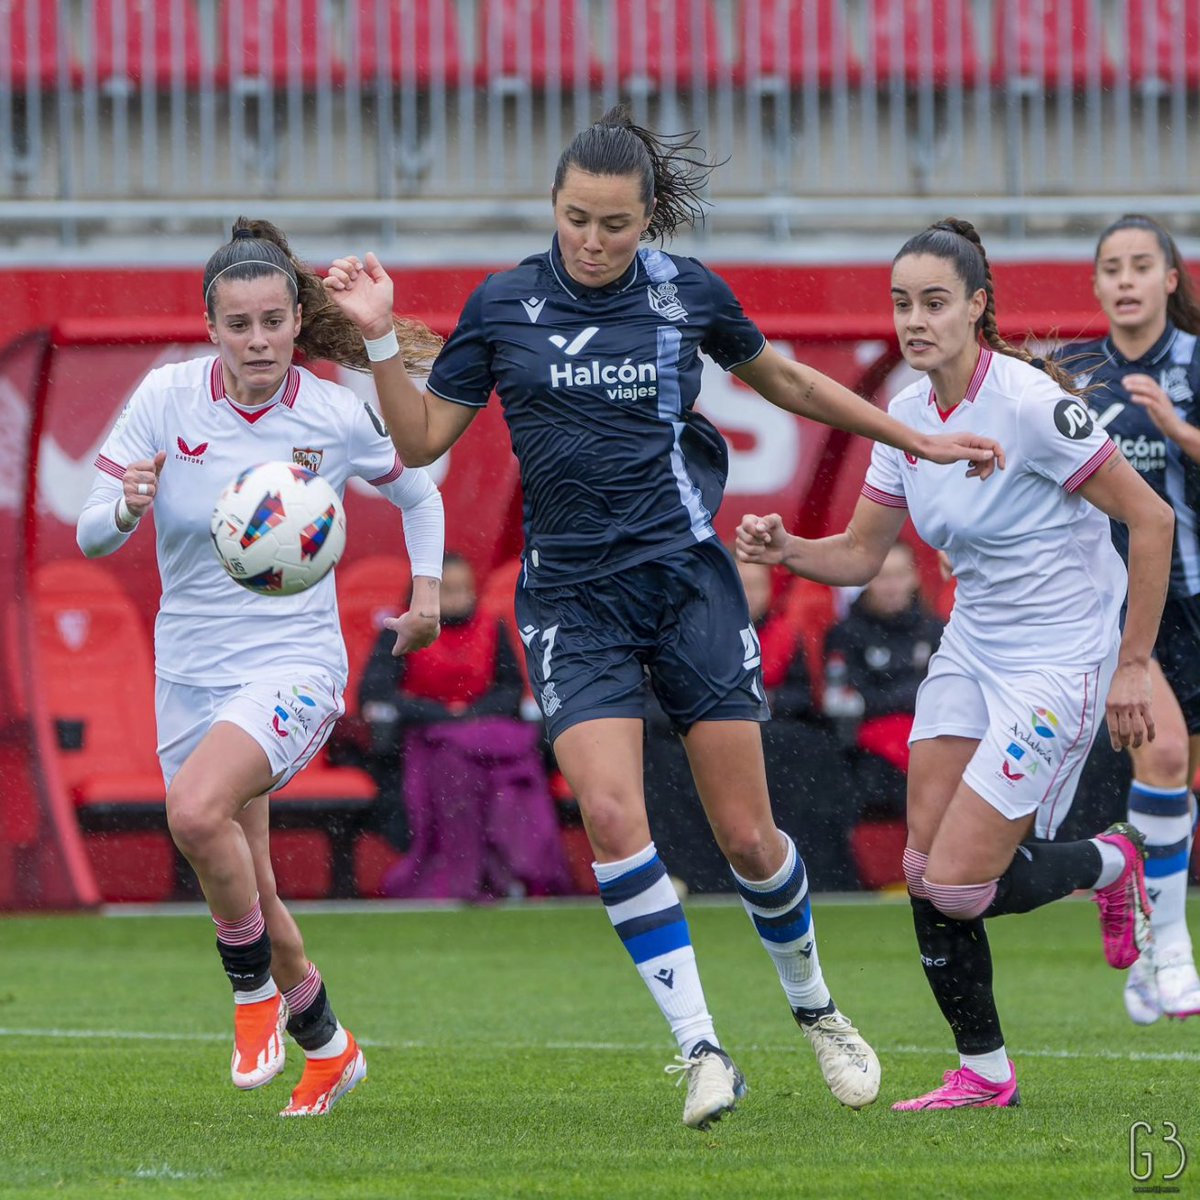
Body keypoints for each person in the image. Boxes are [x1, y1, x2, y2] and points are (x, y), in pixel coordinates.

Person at [319, 107, 1006, 1131]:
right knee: (609, 816)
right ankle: (701, 1050)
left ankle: (813, 1007)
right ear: (552, 208)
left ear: (651, 221)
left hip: (688, 584)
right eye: (577, 220)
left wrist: (917, 437)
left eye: (617, 225)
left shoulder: (688, 294)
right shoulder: (503, 306)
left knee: (747, 838)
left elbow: (788, 379)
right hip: (571, 602)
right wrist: (379, 334)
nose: (594, 243)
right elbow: (419, 443)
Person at [738, 217, 1174, 1111]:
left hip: (1059, 660)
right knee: (923, 867)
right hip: (974, 646)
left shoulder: (1028, 405)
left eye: (935, 302)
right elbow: (861, 556)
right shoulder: (902, 414)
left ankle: (1110, 863)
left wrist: (1134, 665)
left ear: (978, 307)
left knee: (964, 886)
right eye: (902, 304)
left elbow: (1153, 519)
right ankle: (984, 1071)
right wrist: (787, 549)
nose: (915, 320)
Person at [75, 218, 446, 1117]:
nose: (257, 342)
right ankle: (328, 1046)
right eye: (238, 326)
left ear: (294, 321)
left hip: (292, 662)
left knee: (196, 811)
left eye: (273, 322)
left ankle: (250, 998)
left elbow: (418, 491)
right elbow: (89, 530)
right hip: (190, 670)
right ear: (211, 327)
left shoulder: (329, 411)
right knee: (250, 874)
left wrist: (427, 596)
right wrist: (125, 506)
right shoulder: (166, 399)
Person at [1060, 214, 1200, 1023]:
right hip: (1124, 606)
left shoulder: (1195, 364)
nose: (1124, 279)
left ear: (1170, 280)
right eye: (1110, 266)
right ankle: (1171, 950)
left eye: (1140, 265)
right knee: (1166, 750)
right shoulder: (1075, 376)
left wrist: (1180, 432)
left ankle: (1146, 930)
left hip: (1199, 597)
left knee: (1171, 784)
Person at [358, 551, 572, 900]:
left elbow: (510, 689)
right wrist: (444, 717)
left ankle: (522, 870)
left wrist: (468, 717)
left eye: (464, 590)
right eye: (448, 591)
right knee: (454, 768)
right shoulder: (405, 628)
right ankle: (461, 875)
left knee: (516, 777)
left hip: (489, 735)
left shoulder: (491, 626)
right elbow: (377, 692)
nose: (458, 599)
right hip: (427, 737)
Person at [823, 542, 943, 828]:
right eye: (883, 576)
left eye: (900, 575)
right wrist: (911, 692)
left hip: (931, 741)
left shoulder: (936, 629)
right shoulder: (845, 634)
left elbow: (948, 697)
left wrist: (890, 695)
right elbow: (844, 702)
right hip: (867, 754)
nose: (892, 586)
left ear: (914, 577)